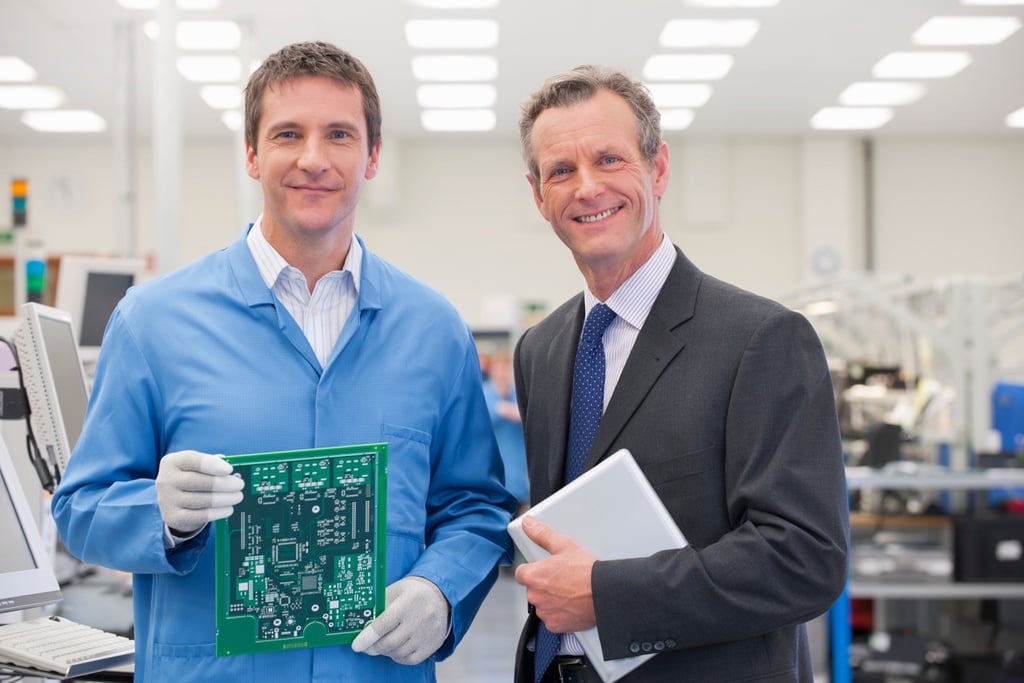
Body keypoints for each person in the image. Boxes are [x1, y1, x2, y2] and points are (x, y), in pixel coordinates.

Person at [50, 41, 517, 683]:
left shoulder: (433, 330)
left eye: (340, 135)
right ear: (251, 153)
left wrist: (442, 589)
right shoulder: (153, 322)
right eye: (288, 133)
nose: (313, 159)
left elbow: (474, 505)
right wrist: (157, 512)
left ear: (373, 155)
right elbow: (79, 509)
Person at [511, 65, 850, 683]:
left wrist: (609, 596)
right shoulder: (542, 349)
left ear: (657, 168)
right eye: (561, 170)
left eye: (609, 159)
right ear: (539, 196)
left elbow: (805, 558)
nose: (587, 188)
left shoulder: (761, 339)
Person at [482, 348, 530, 511]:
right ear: (493, 371)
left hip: (519, 477)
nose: (503, 373)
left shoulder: (518, 393)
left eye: (506, 368)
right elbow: (503, 410)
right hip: (493, 477)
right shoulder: (484, 394)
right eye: (499, 369)